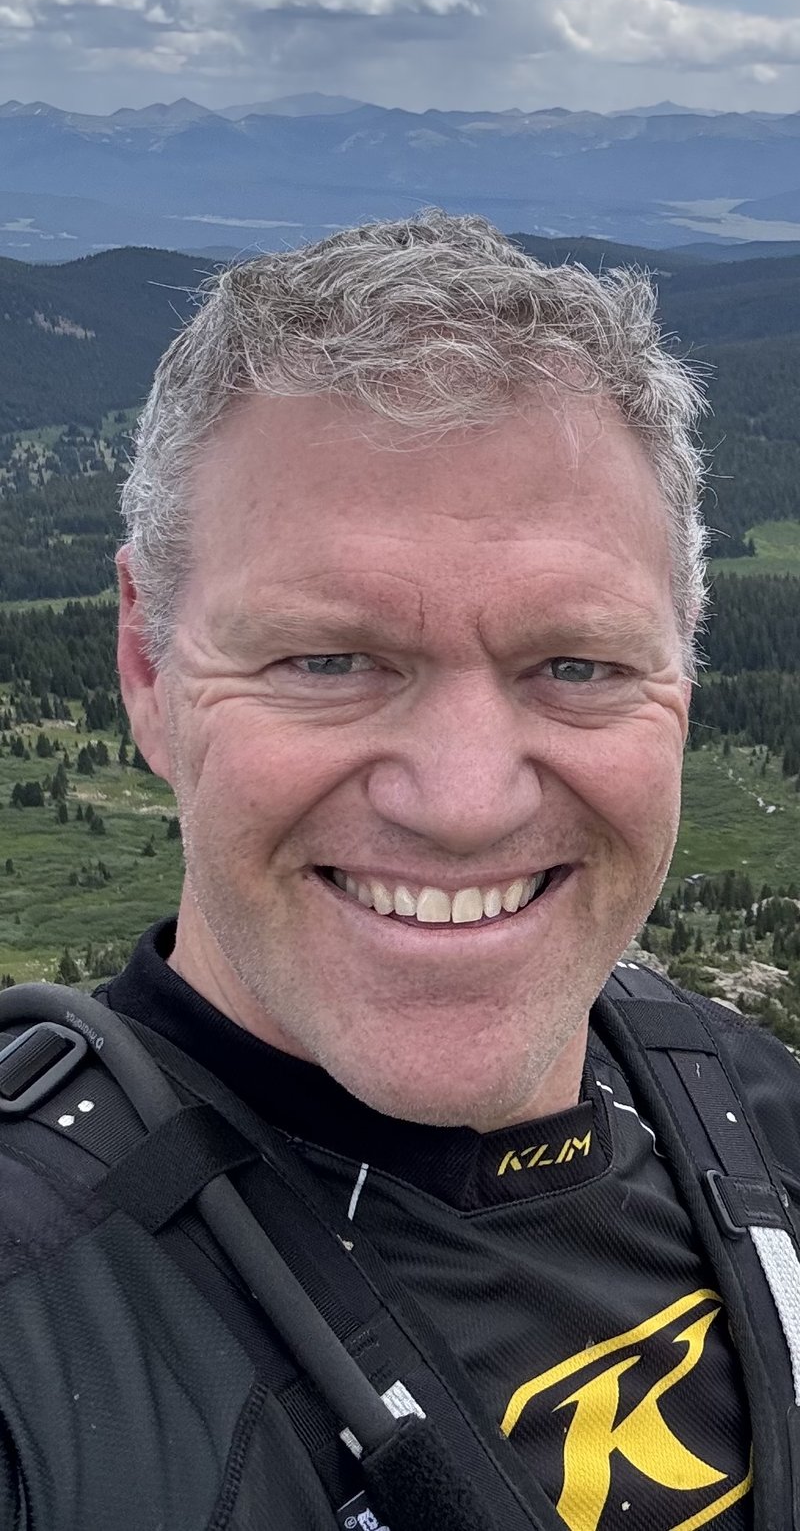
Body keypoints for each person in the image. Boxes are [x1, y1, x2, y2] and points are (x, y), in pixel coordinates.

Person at [1, 210, 799, 1531]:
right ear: (146, 665)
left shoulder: (753, 1102)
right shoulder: (41, 1318)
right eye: (328, 660)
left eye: (578, 664)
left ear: (685, 670)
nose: (466, 802)